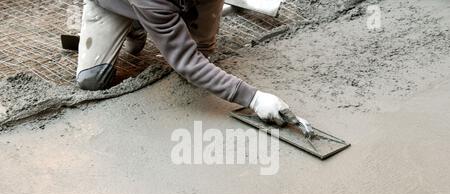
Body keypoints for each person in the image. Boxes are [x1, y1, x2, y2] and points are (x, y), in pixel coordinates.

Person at [76, 0, 294, 125]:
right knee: (93, 80)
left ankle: (153, 21)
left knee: (203, 56)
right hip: (113, 4)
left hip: (163, 5)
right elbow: (187, 62)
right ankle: (136, 23)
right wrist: (254, 99)